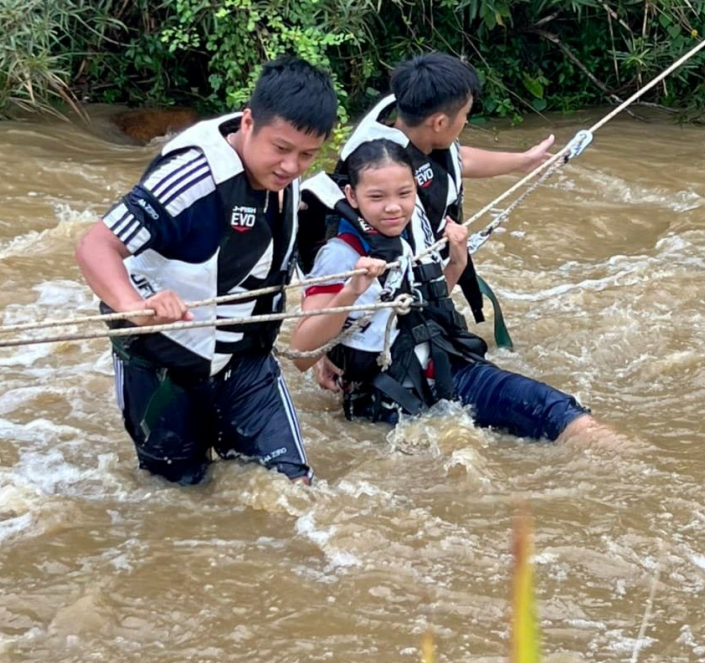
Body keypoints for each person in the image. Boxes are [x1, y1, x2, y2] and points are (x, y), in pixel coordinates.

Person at [75, 56, 338, 485]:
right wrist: (134, 306)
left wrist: (324, 345)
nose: (292, 166)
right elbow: (95, 245)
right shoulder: (192, 177)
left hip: (246, 363)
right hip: (165, 368)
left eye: (308, 154)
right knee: (180, 496)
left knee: (295, 490)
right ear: (249, 122)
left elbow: (287, 262)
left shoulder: (286, 182)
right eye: (281, 148)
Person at [290, 138, 598, 444]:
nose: (393, 207)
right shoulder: (340, 255)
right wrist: (351, 291)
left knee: (560, 412)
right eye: (377, 197)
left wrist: (457, 262)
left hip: (451, 372)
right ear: (352, 196)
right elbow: (302, 355)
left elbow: (424, 308)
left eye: (404, 193)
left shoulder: (412, 229)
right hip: (390, 401)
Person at [297, 51, 555, 391]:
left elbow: (456, 157)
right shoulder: (376, 168)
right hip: (370, 313)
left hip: (417, 302)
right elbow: (328, 264)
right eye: (464, 116)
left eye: (404, 194)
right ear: (439, 122)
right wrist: (326, 350)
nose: (464, 122)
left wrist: (522, 162)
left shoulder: (411, 117)